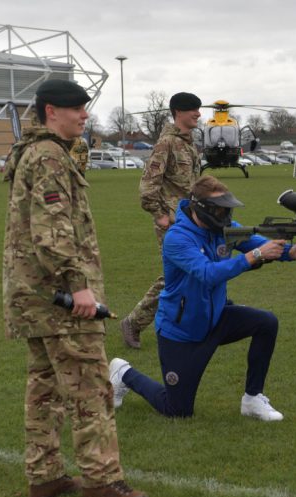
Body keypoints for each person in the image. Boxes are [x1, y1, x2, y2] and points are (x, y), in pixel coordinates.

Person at [2, 79, 146, 497]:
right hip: (59, 298)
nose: (84, 114)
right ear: (51, 111)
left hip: (33, 296)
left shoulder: (34, 151)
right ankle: (101, 480)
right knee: (90, 388)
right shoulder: (48, 156)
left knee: (44, 389)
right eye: (76, 108)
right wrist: (78, 287)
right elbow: (53, 232)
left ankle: (44, 477)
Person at [109, 175, 296, 421]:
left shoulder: (223, 227)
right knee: (178, 409)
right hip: (181, 331)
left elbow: (258, 244)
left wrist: (289, 252)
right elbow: (207, 273)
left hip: (215, 318)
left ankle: (253, 398)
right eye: (220, 210)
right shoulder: (177, 238)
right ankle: (124, 373)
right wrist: (254, 256)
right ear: (202, 209)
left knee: (266, 322)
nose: (226, 216)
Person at [120, 92, 202, 349]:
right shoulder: (166, 144)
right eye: (193, 110)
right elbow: (147, 187)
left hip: (191, 220)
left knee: (194, 271)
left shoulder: (188, 144)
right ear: (179, 112)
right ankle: (134, 322)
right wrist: (159, 215)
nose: (199, 114)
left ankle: (190, 324)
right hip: (172, 223)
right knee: (174, 276)